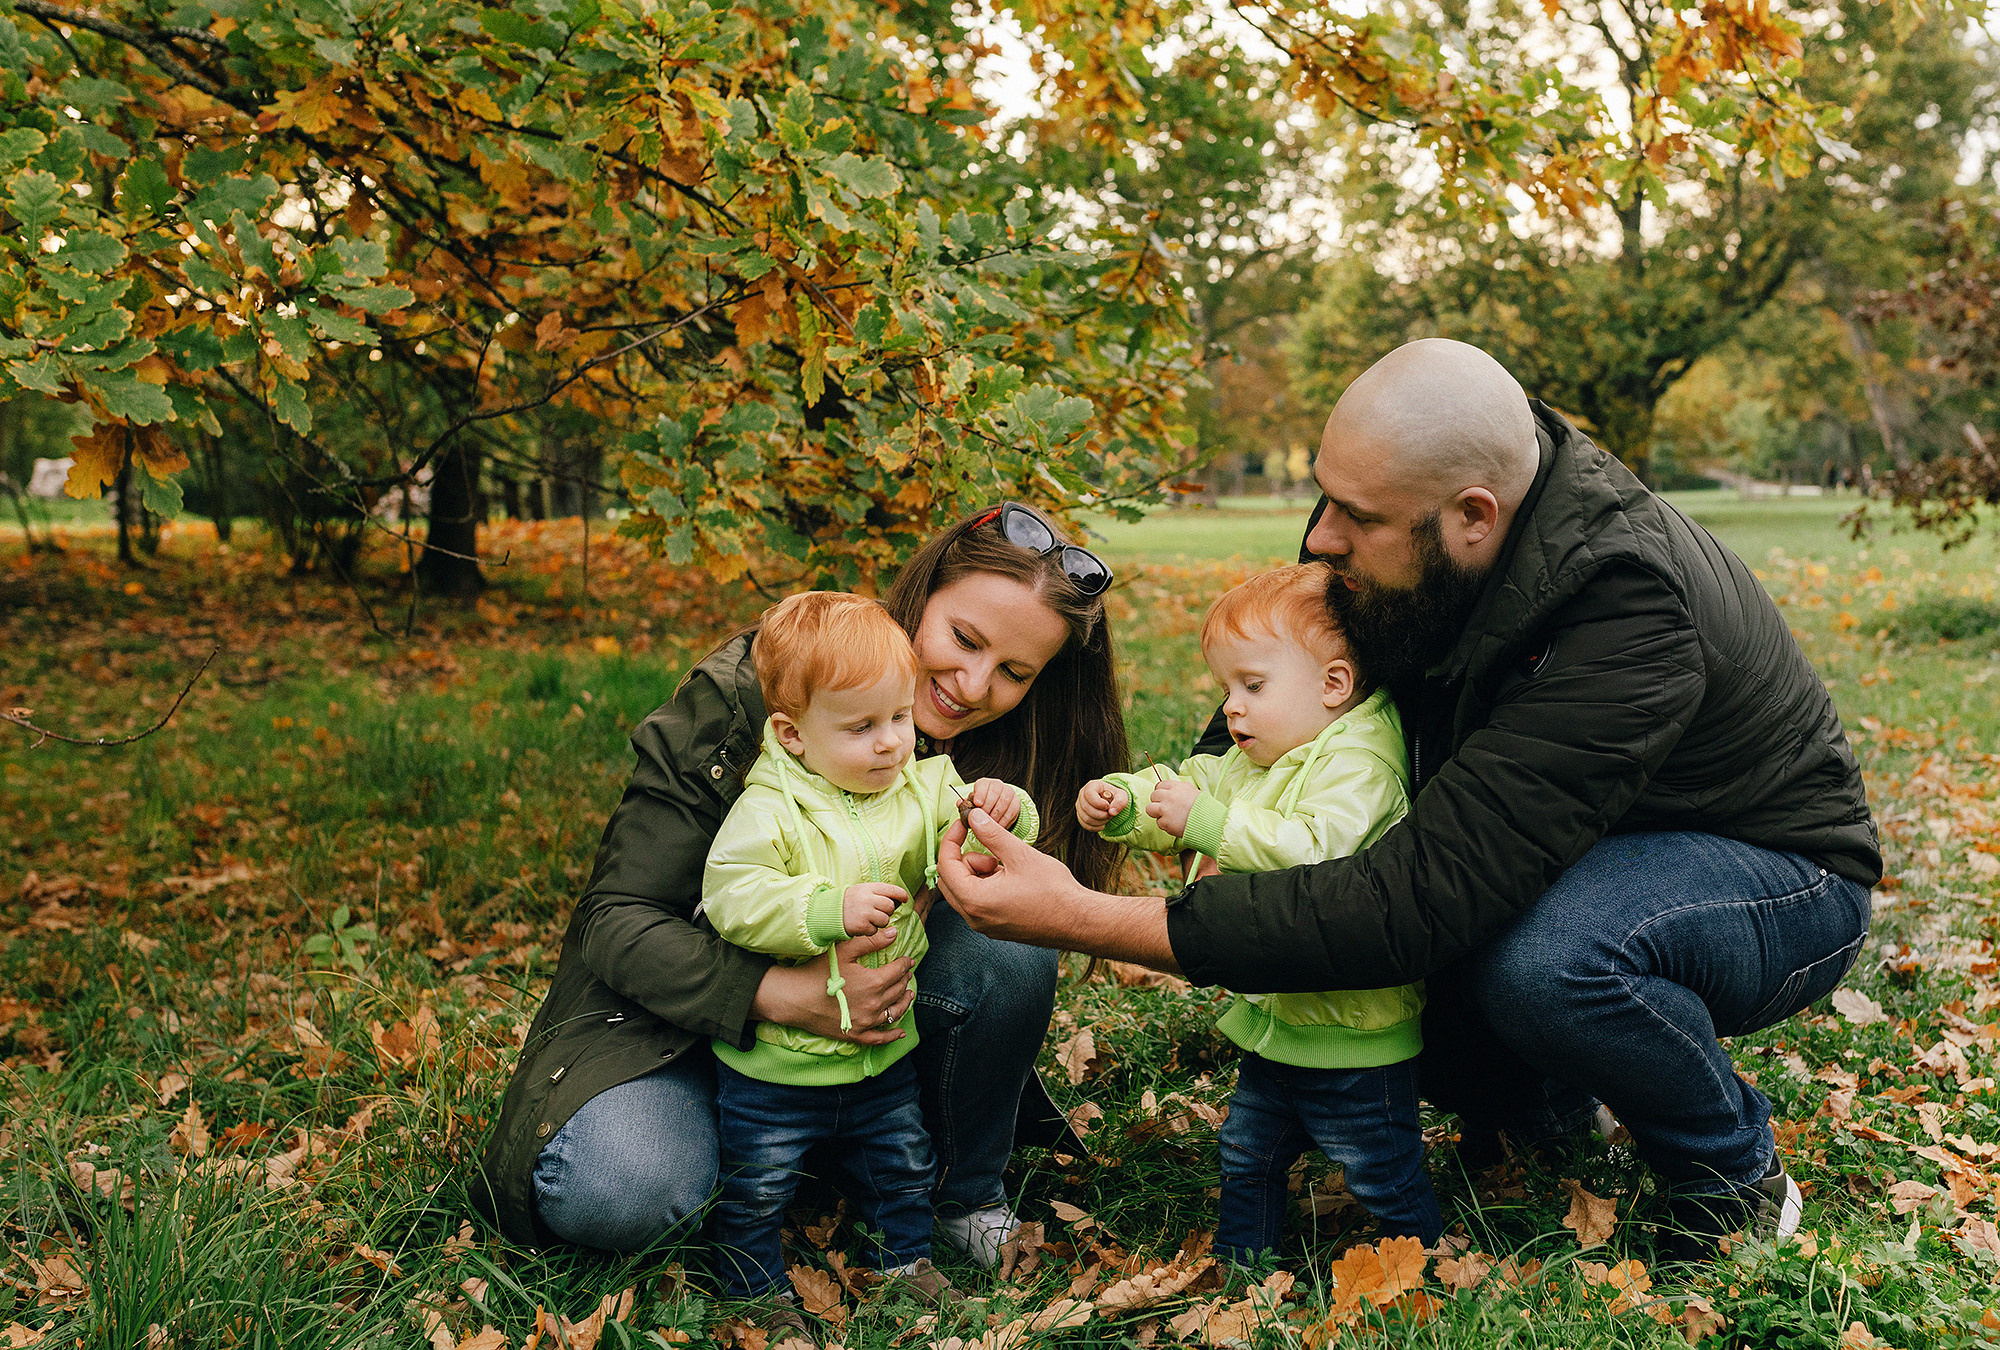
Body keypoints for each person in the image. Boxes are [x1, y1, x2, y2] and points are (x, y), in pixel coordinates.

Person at [937, 339, 1878, 1263]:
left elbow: (1421, 903)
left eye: (1353, 515)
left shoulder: (1628, 607)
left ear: (1474, 515)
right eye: (1325, 495)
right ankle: (1553, 1109)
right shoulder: (1407, 507)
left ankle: (1731, 1173)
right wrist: (1212, 816)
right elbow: (1288, 674)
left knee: (1539, 960)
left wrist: (1084, 916)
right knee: (1391, 971)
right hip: (1563, 843)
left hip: (1769, 874)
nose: (1319, 537)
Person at [474, 502, 1128, 1266]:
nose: (973, 684)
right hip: (684, 1022)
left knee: (1014, 949)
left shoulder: (989, 745)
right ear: (920, 597)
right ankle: (764, 1155)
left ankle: (955, 1189)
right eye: (963, 639)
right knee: (621, 1187)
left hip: (879, 1016)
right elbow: (617, 918)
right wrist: (783, 997)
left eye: (1015, 671)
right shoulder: (756, 690)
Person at [1076, 563, 1442, 1259]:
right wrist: (1127, 800)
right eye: (1226, 689)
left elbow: (1316, 850)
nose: (1232, 708)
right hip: (1278, 1032)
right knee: (1246, 1155)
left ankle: (1422, 1266)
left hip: (1357, 1038)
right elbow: (1190, 785)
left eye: (1252, 685)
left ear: (1333, 684)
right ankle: (1244, 1271)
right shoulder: (1269, 751)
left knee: (1380, 1173)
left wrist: (1209, 823)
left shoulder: (1361, 763)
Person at [701, 592, 1038, 1327]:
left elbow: (983, 840)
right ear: (791, 734)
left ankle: (902, 1265)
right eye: (861, 727)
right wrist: (824, 908)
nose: (890, 743)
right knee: (758, 1184)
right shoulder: (770, 809)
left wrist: (1005, 808)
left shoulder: (921, 786)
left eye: (898, 718)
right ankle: (752, 1286)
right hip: (777, 1067)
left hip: (882, 1055)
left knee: (901, 1167)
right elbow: (732, 896)